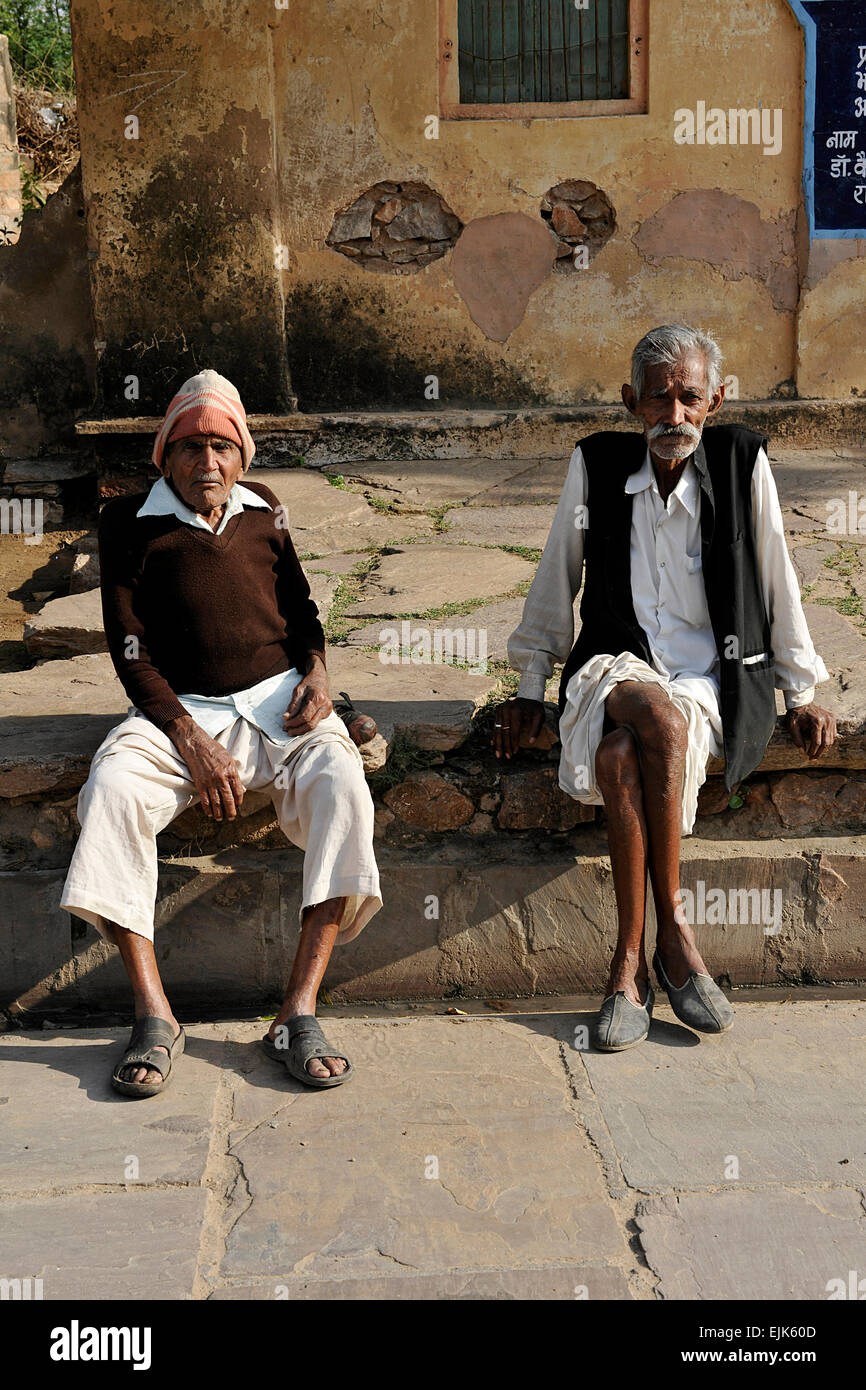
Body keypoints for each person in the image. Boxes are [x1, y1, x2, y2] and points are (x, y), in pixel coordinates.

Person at [492, 325, 836, 1051]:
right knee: (652, 716)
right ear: (631, 402)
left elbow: (778, 576)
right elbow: (558, 572)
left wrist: (800, 691)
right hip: (612, 665)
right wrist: (531, 681)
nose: (673, 416)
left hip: (707, 679)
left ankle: (628, 967)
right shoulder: (597, 465)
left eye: (689, 398)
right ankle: (676, 933)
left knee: (623, 756)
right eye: (658, 399)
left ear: (714, 399)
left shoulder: (743, 462)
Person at [60, 369, 381, 1095]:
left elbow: (303, 617)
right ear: (165, 456)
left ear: (243, 456)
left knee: (343, 789)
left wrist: (320, 678)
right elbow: (129, 649)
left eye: (222, 447)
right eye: (191, 446)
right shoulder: (128, 523)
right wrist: (188, 738)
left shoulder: (265, 508)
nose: (208, 462)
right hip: (180, 712)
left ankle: (297, 1011)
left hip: (280, 706)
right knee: (110, 791)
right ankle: (154, 1016)